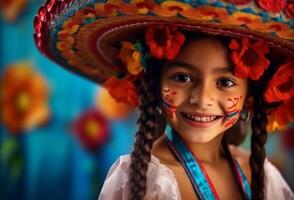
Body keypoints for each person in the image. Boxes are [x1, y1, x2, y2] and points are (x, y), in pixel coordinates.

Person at [34, 0, 294, 199]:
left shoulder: (261, 174)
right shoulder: (143, 178)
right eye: (182, 77)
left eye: (225, 83)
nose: (202, 99)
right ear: (156, 83)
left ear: (250, 95)